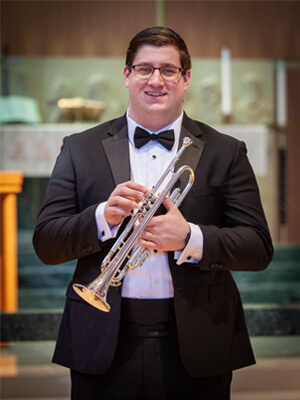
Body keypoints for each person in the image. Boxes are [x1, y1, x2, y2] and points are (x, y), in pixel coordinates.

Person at [33, 27, 273, 400]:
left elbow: (258, 246)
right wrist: (101, 218)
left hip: (198, 339)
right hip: (101, 339)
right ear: (127, 75)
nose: (156, 80)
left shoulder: (226, 151)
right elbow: (47, 243)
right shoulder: (79, 148)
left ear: (186, 78)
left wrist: (190, 238)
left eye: (168, 70)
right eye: (144, 69)